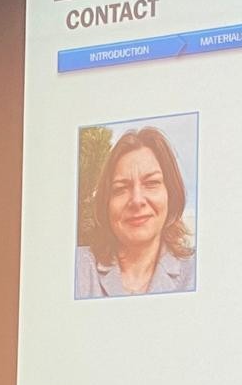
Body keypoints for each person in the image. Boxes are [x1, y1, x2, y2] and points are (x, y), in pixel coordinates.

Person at [74, 126, 195, 298]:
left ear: (171, 193)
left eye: (151, 183)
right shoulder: (77, 269)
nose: (137, 201)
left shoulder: (196, 272)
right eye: (121, 188)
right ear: (106, 203)